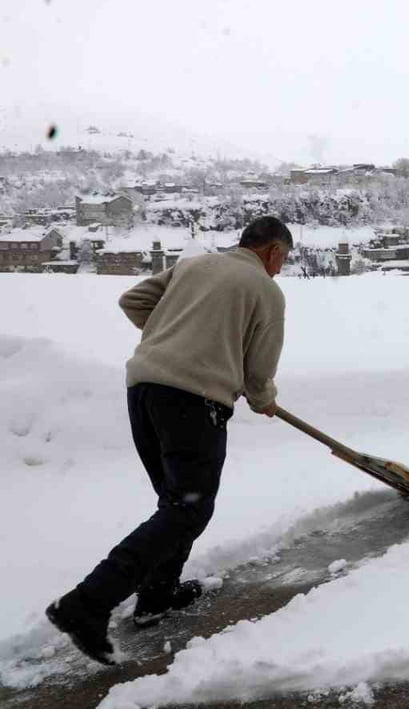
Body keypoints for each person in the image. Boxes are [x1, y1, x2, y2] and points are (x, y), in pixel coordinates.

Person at [46, 216, 293, 665]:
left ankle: (157, 597)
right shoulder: (265, 290)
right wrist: (263, 399)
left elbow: (134, 299)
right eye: (283, 260)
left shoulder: (195, 266)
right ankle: (86, 603)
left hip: (143, 388)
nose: (280, 270)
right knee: (189, 507)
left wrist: (173, 336)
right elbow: (260, 370)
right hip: (193, 398)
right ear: (274, 251)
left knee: (176, 503)